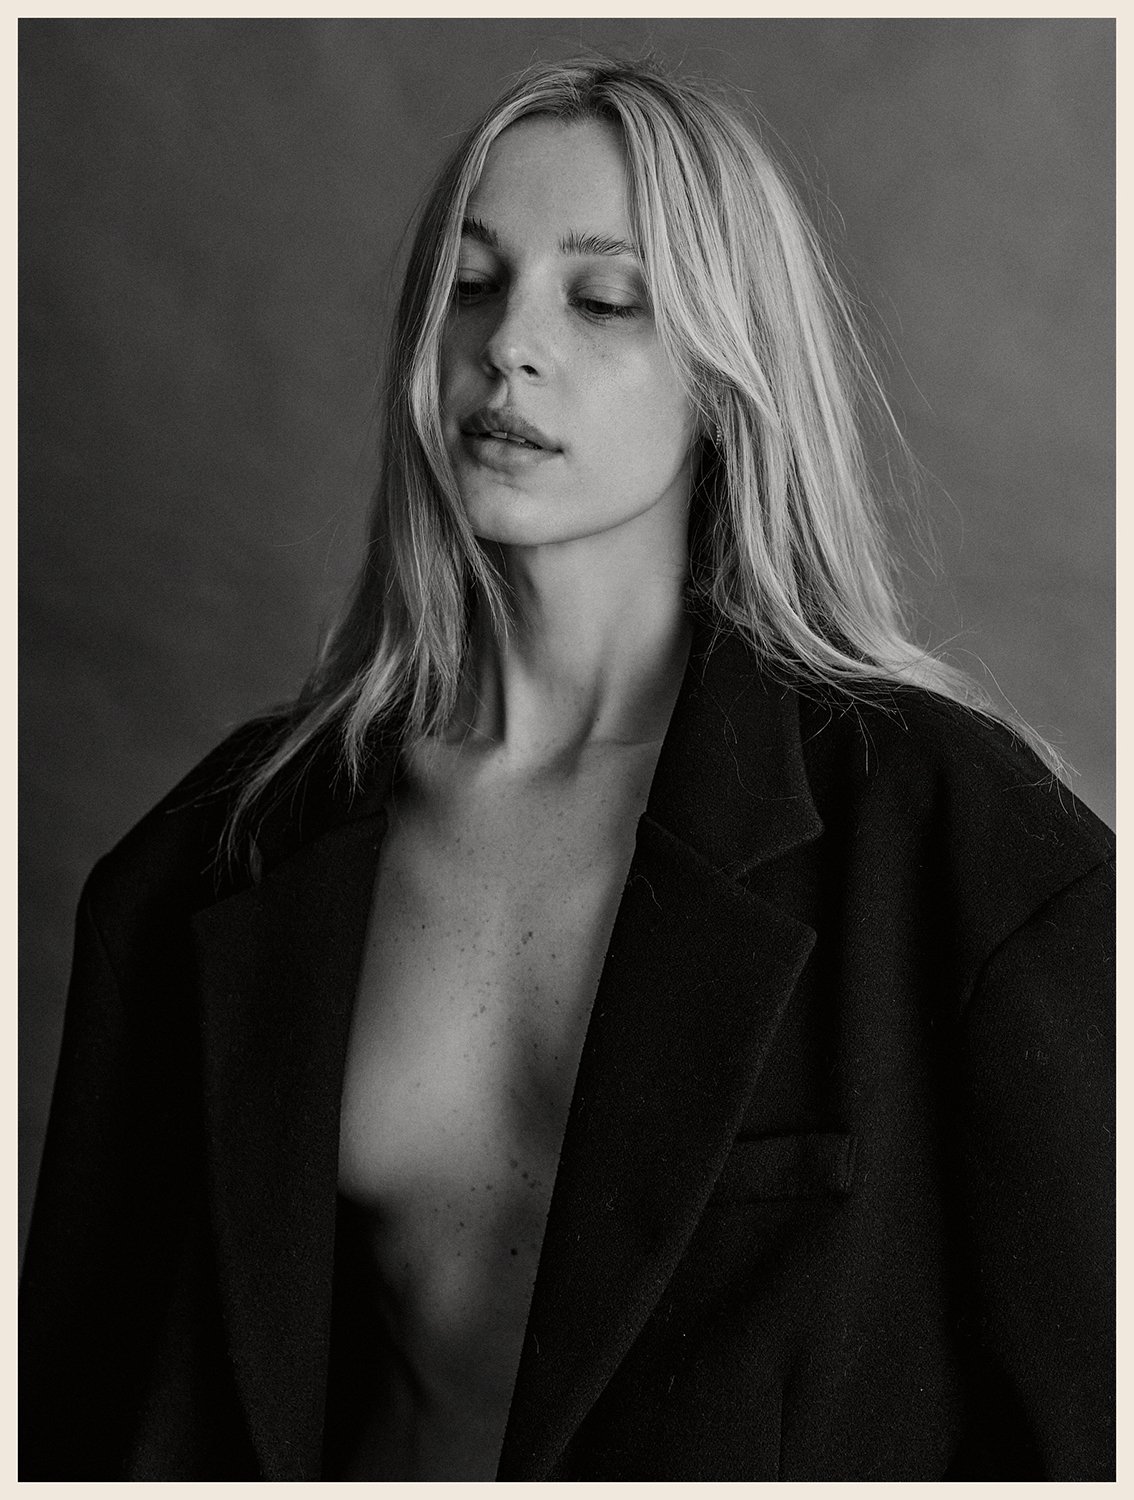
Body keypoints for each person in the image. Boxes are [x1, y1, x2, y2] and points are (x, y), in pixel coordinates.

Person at [20, 54, 1113, 1482]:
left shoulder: (959, 845)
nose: (506, 347)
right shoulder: (217, 855)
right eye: (470, 285)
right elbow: (89, 1416)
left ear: (731, 375)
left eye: (602, 300)